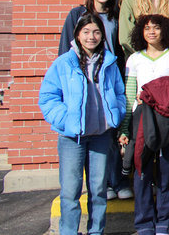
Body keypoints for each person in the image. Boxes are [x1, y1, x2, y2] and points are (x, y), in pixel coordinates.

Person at [39, 13, 127, 235]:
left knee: (98, 190)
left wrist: (115, 116)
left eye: (96, 32)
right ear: (77, 35)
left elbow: (119, 93)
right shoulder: (63, 62)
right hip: (72, 139)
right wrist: (65, 120)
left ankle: (96, 231)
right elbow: (48, 97)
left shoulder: (109, 61)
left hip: (100, 136)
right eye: (86, 32)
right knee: (70, 191)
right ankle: (69, 231)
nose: (91, 37)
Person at [57, 0, 129, 201]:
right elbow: (65, 51)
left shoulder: (115, 15)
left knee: (111, 132)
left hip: (109, 76)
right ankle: (101, 184)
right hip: (84, 80)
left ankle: (115, 180)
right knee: (91, 133)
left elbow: (119, 49)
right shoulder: (78, 14)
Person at [119, 14, 169, 235]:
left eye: (156, 28)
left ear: (164, 31)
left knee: (166, 173)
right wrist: (124, 127)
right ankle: (144, 222)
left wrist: (149, 94)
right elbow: (130, 95)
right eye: (146, 28)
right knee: (142, 174)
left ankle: (164, 221)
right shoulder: (134, 59)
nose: (151, 32)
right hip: (141, 122)